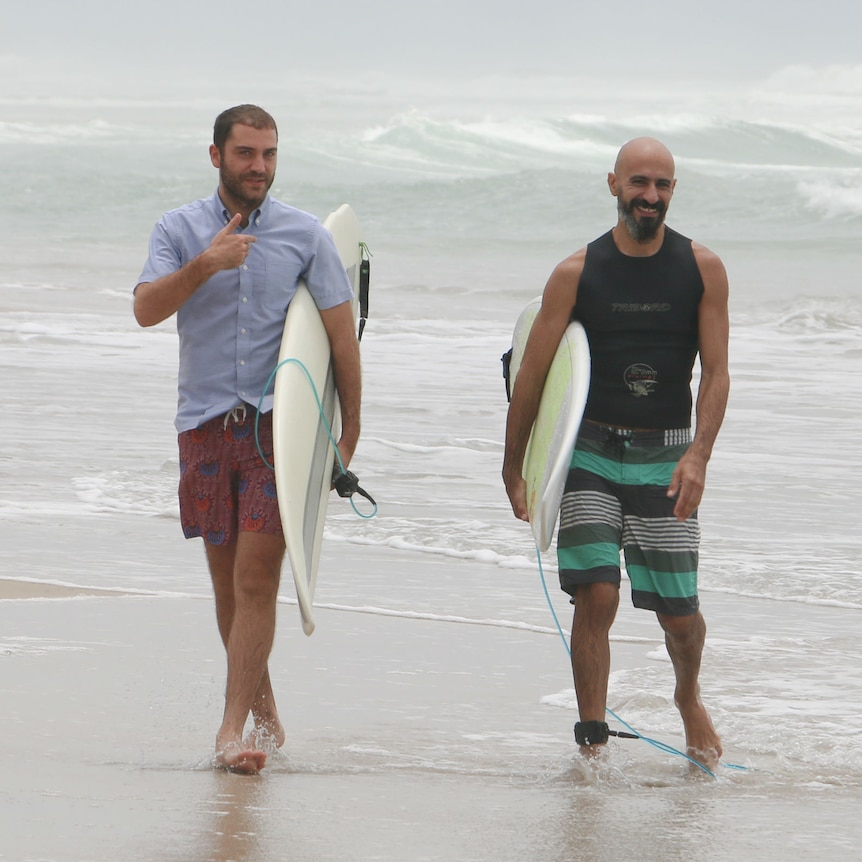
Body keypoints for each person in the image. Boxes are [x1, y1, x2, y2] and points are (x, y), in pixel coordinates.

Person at [134, 105, 361, 774]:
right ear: (216, 156)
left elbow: (341, 339)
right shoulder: (176, 230)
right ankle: (263, 715)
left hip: (273, 430)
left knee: (258, 578)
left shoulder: (305, 236)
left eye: (268, 154)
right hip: (203, 427)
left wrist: (350, 433)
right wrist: (205, 265)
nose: (258, 166)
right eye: (245, 154)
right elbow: (146, 309)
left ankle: (230, 732)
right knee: (228, 591)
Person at [503, 137, 729, 770]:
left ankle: (687, 696)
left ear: (672, 191)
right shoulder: (577, 272)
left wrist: (699, 458)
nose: (649, 196)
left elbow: (716, 373)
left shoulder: (701, 268)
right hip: (592, 452)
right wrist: (515, 463)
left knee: (680, 616)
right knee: (596, 593)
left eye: (661, 185)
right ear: (613, 184)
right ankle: (592, 739)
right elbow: (535, 374)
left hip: (667, 454)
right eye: (638, 183)